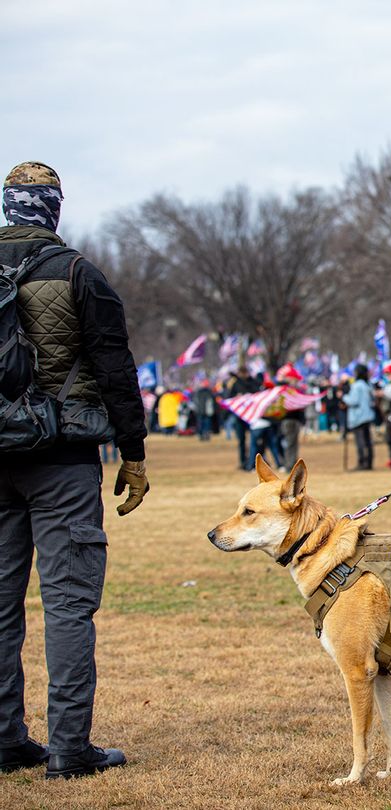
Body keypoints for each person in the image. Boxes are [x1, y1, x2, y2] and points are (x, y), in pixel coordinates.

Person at [0, 161, 149, 778]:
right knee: (67, 604)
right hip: (62, 458)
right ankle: (68, 748)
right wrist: (134, 454)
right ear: (53, 210)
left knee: (2, 606)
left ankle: (6, 739)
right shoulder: (78, 273)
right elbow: (115, 368)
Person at [274, 363, 306, 470]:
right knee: (289, 443)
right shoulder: (284, 390)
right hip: (288, 420)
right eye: (295, 379)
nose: (297, 381)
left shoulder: (292, 390)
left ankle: (292, 464)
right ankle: (289, 465)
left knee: (292, 443)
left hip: (293, 420)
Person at [344, 364, 374, 470]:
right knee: (368, 441)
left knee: (360, 441)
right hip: (367, 416)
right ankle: (369, 462)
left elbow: (353, 401)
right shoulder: (368, 385)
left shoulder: (357, 386)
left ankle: (362, 463)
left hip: (358, 417)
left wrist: (344, 397)